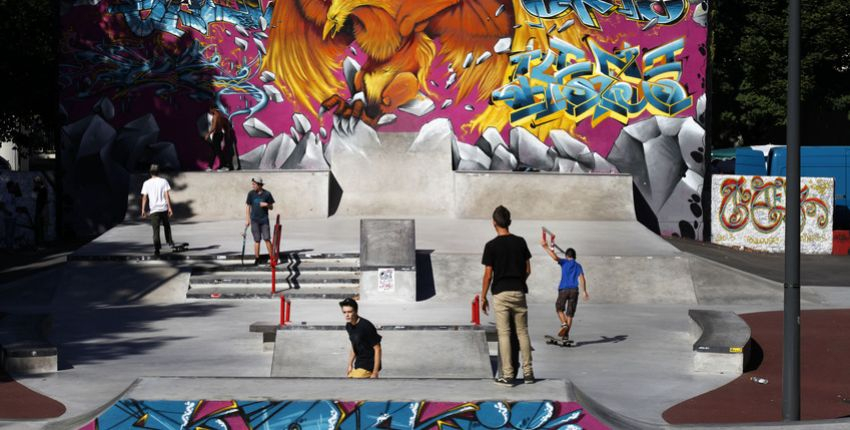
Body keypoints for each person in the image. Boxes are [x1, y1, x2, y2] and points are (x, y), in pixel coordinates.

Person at [481, 205, 534, 386]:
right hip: (519, 291)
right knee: (522, 332)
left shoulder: (491, 246)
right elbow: (527, 269)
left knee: (504, 334)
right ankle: (528, 373)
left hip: (500, 293)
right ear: (509, 222)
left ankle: (508, 375)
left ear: (494, 223)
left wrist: (483, 296)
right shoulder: (521, 242)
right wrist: (520, 282)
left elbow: (488, 275)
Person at [541, 239, 589, 342]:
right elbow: (582, 278)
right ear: (574, 256)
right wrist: (584, 291)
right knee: (570, 314)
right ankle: (566, 335)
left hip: (564, 289)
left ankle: (564, 324)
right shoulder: (578, 265)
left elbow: (554, 257)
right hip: (574, 291)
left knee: (559, 308)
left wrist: (545, 247)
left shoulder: (564, 262)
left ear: (567, 256)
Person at [339, 297, 382, 378]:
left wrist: (375, 372)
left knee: (352, 379)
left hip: (369, 366)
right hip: (359, 364)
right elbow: (354, 346)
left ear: (356, 311)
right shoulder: (348, 325)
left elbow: (378, 348)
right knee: (349, 377)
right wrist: (350, 364)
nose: (347, 315)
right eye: (344, 312)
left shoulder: (366, 326)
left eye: (349, 312)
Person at [140, 164, 174, 256]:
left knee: (156, 230)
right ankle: (170, 242)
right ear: (159, 172)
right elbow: (167, 195)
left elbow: (144, 198)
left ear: (150, 172)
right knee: (167, 226)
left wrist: (143, 209)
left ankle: (157, 249)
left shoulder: (146, 183)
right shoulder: (163, 181)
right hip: (163, 208)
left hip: (154, 210)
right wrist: (170, 207)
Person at [245, 177, 275, 265]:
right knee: (257, 240)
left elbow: (271, 207)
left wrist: (266, 204)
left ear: (259, 185)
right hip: (254, 220)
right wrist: (247, 219)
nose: (252, 186)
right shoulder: (251, 194)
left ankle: (272, 257)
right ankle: (257, 258)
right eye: (252, 184)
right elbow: (248, 206)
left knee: (267, 239)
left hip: (264, 220)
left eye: (254, 184)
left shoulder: (267, 194)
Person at [206, 106, 235, 172]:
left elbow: (213, 127)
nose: (210, 111)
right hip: (220, 135)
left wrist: (208, 134)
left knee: (218, 151)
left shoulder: (216, 116)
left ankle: (224, 165)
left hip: (217, 135)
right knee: (214, 151)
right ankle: (210, 166)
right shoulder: (222, 117)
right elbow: (226, 126)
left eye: (210, 109)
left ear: (213, 109)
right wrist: (227, 134)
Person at [33, 175, 48, 246]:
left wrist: (42, 211)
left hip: (40, 210)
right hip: (39, 210)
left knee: (40, 227)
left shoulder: (43, 190)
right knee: (39, 227)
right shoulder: (40, 189)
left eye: (36, 183)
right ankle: (40, 242)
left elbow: (43, 201)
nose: (35, 184)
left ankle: (40, 243)